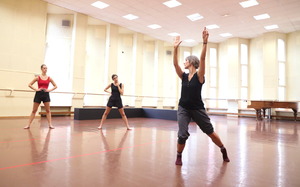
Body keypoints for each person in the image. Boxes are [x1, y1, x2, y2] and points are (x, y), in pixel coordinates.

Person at [173, 28, 230, 165]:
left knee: (209, 131)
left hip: (197, 109)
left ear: (191, 62)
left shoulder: (199, 76)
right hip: (183, 108)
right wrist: (175, 49)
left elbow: (203, 58)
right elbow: (175, 64)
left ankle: (223, 149)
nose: (183, 62)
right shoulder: (183, 76)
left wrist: (205, 43)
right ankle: (179, 155)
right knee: (182, 134)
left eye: (185, 61)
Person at [24, 64, 57, 129]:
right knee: (34, 110)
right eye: (44, 68)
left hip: (46, 94)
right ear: (41, 69)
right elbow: (30, 84)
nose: (45, 69)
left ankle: (50, 124)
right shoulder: (37, 77)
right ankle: (28, 125)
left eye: (46, 68)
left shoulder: (49, 78)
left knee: (48, 110)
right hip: (38, 94)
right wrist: (36, 89)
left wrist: (49, 90)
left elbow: (55, 86)